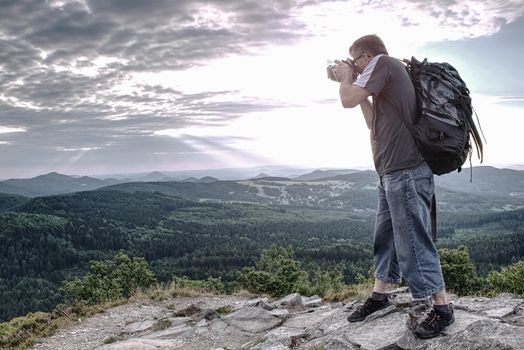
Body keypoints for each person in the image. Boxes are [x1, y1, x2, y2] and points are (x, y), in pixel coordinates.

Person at [330, 34, 454, 339]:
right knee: (384, 237)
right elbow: (372, 121)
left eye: (354, 60)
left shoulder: (383, 63)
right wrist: (358, 88)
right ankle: (380, 294)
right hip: (390, 173)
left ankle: (442, 308)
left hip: (407, 171)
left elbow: (346, 101)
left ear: (364, 56)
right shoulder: (383, 78)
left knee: (412, 240)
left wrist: (347, 80)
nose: (353, 66)